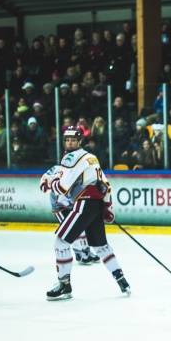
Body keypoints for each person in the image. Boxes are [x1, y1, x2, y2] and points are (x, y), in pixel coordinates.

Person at [43, 125, 130, 301]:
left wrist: (48, 183)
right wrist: (107, 207)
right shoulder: (91, 157)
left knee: (60, 242)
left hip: (84, 204)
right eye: (67, 140)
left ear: (79, 141)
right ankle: (121, 280)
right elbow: (104, 185)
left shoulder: (71, 158)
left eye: (73, 140)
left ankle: (64, 285)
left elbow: (62, 187)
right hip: (96, 204)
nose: (69, 142)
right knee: (100, 246)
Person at [39, 165, 99, 266]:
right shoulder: (56, 169)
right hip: (59, 207)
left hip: (72, 205)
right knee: (72, 229)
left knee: (83, 227)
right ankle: (79, 253)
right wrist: (51, 184)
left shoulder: (79, 170)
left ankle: (86, 250)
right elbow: (43, 185)